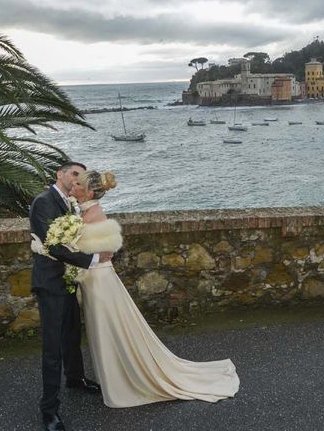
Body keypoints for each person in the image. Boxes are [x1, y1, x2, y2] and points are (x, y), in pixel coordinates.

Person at [68, 170, 240, 408]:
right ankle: (114, 378)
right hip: (92, 280)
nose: (72, 185)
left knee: (108, 330)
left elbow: (105, 252)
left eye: (77, 184)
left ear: (88, 191)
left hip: (99, 282)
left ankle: (122, 382)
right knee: (104, 331)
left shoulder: (95, 214)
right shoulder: (85, 211)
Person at [29, 162, 112, 431]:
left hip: (67, 281)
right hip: (50, 284)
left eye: (80, 176)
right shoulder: (44, 201)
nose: (78, 179)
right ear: (60, 175)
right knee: (53, 348)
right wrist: (93, 260)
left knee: (72, 334)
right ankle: (49, 411)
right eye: (74, 173)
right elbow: (53, 246)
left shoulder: (69, 204)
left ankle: (75, 379)